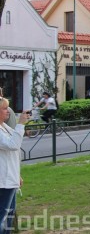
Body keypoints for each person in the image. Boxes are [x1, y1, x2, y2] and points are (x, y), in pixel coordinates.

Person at [1, 97, 28, 233]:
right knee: (2, 217)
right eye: (5, 108)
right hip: (3, 182)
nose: (9, 112)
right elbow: (13, 144)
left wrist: (17, 175)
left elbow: (14, 143)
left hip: (10, 179)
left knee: (8, 217)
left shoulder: (4, 127)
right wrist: (21, 123)